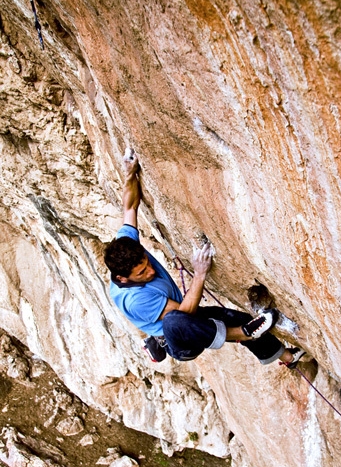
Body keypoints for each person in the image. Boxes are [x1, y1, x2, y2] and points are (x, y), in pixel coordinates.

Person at [104, 150, 305, 366]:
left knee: (241, 319)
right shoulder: (135, 300)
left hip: (183, 316)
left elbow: (130, 206)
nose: (151, 271)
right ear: (123, 278)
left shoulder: (126, 246)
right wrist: (199, 274)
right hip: (179, 342)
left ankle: (288, 358)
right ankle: (244, 334)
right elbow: (184, 314)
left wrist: (129, 174)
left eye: (146, 264)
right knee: (174, 322)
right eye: (142, 273)